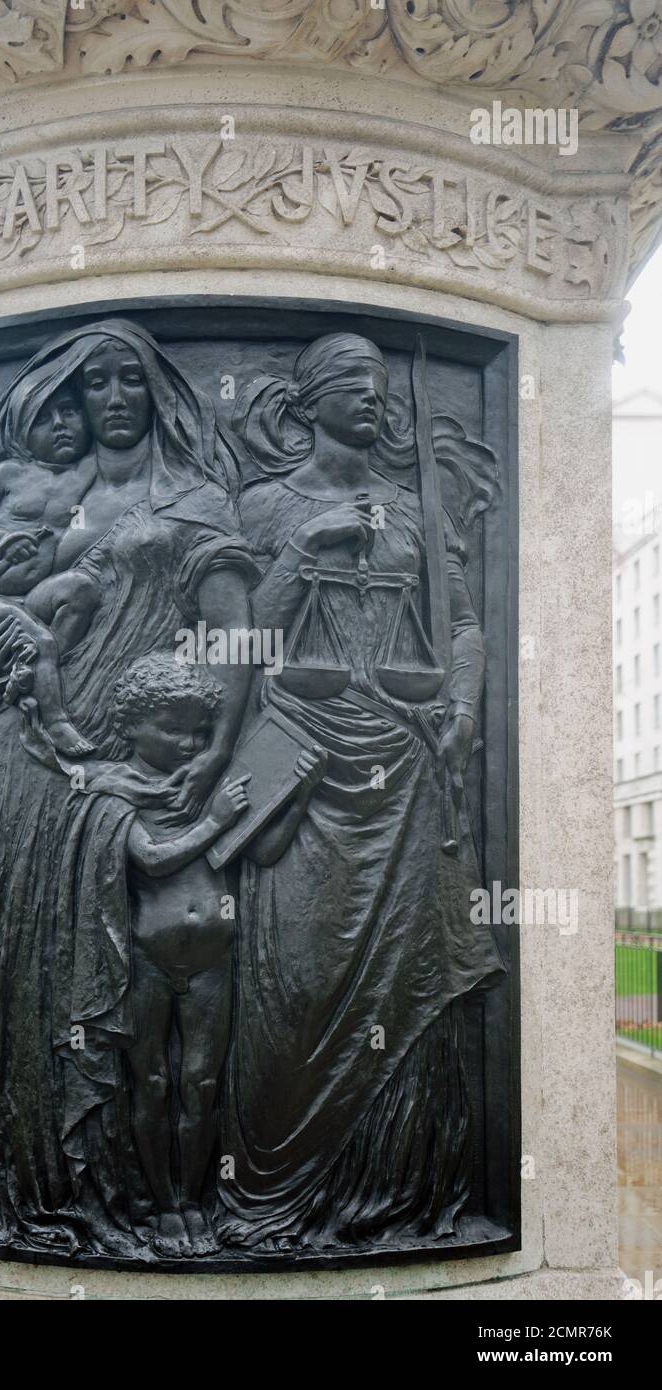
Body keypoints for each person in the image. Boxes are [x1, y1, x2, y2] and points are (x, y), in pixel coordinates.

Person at [0, 319, 260, 1253]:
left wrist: (210, 758)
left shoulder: (198, 501)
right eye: (97, 386)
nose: (115, 398)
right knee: (39, 960)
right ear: (73, 402)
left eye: (132, 380)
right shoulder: (47, 496)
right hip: (35, 757)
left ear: (156, 393)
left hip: (151, 763)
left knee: (140, 985)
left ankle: (154, 1195)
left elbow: (235, 640)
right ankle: (49, 1182)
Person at [218, 331, 504, 1250]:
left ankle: (392, 1193)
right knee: (291, 982)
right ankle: (267, 1192)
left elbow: (461, 624)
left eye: (380, 387)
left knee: (405, 986)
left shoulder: (415, 511)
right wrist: (303, 552)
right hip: (301, 767)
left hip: (409, 768)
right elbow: (232, 647)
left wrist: (461, 707)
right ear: (307, 402)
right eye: (350, 384)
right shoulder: (264, 508)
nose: (372, 399)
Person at [97, 653, 326, 1256]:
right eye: (172, 728)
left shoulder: (212, 787)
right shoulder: (112, 788)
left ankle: (196, 1201)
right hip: (145, 959)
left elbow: (265, 850)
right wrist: (216, 818)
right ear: (132, 726)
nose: (189, 742)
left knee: (199, 1084)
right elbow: (147, 857)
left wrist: (295, 791)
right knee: (150, 1083)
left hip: (210, 962)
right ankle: (163, 1207)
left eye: (198, 730)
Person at [0, 378, 99, 759]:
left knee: (80, 590)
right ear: (22, 431)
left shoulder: (88, 471)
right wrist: (0, 540)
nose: (59, 424)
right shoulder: (9, 473)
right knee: (41, 640)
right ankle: (55, 722)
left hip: (32, 599)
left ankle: (32, 676)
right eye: (43, 419)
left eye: (69, 411)